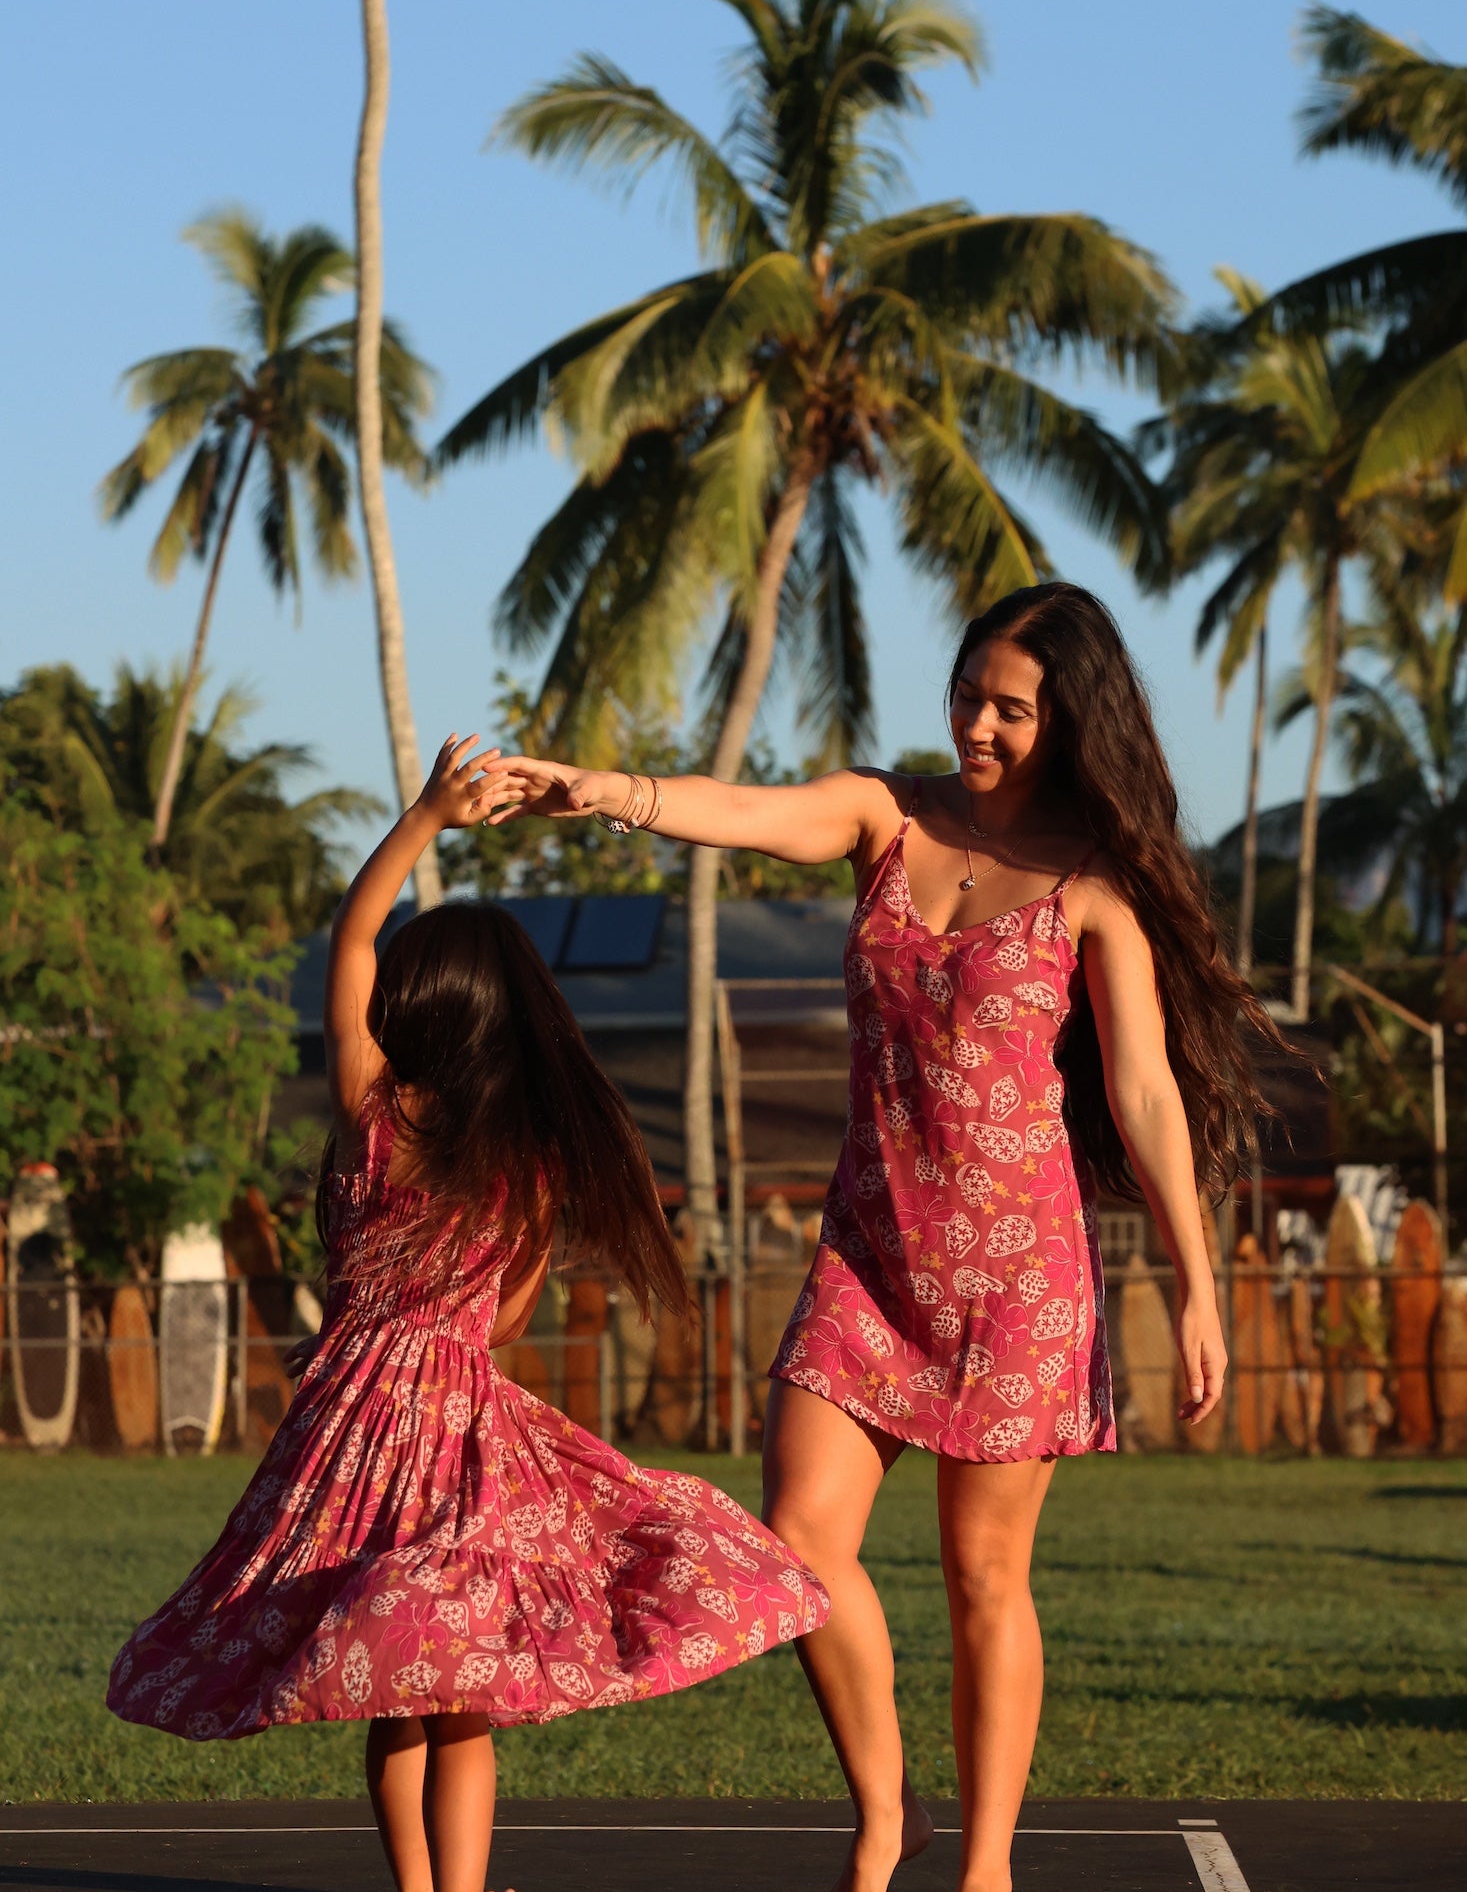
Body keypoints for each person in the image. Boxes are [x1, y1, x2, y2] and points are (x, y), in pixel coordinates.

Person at [477, 582, 1282, 1892]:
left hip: (1019, 1282)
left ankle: (985, 1869)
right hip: (867, 1256)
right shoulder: (883, 812)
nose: (974, 723)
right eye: (964, 692)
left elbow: (1141, 1093)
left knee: (982, 1579)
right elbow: (744, 814)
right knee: (796, 1534)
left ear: (1066, 716)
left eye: (1008, 707)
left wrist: (1195, 1282)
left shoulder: (1093, 885)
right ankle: (885, 1809)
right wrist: (598, 787)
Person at [107, 737, 829, 1892]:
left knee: (392, 1695)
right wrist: (417, 1323)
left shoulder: (371, 1109)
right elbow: (497, 1321)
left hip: (348, 1444)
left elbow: (349, 938)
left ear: (415, 1004)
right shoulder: (526, 1168)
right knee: (463, 1698)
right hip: (464, 1438)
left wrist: (425, 819)